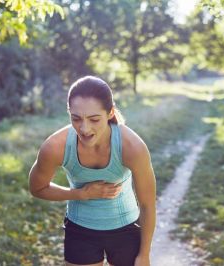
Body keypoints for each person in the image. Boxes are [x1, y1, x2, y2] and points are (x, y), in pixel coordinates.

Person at [28, 76, 156, 266]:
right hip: (80, 231)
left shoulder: (132, 147)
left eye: (94, 119)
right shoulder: (55, 146)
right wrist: (80, 194)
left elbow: (147, 205)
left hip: (127, 230)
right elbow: (37, 188)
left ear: (110, 112)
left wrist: (144, 255)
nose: (84, 128)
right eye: (76, 118)